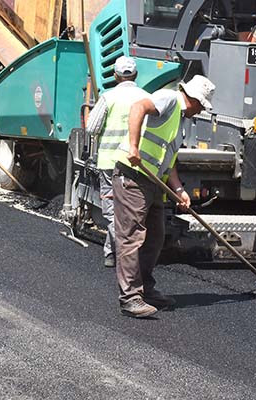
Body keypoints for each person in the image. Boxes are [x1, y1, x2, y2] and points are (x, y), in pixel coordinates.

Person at [113, 75, 215, 318]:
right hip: (133, 177)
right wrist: (134, 146)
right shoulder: (169, 99)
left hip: (154, 182)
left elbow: (170, 160)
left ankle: (146, 289)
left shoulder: (180, 120)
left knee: (155, 237)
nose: (201, 110)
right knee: (131, 237)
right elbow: (139, 107)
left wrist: (179, 190)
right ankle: (130, 297)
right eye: (201, 105)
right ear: (192, 98)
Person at [86, 56, 149, 268]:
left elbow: (91, 128)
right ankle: (110, 252)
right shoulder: (147, 98)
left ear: (115, 75)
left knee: (112, 210)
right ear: (136, 75)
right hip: (135, 163)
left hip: (109, 162)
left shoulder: (108, 97)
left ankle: (123, 253)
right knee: (130, 209)